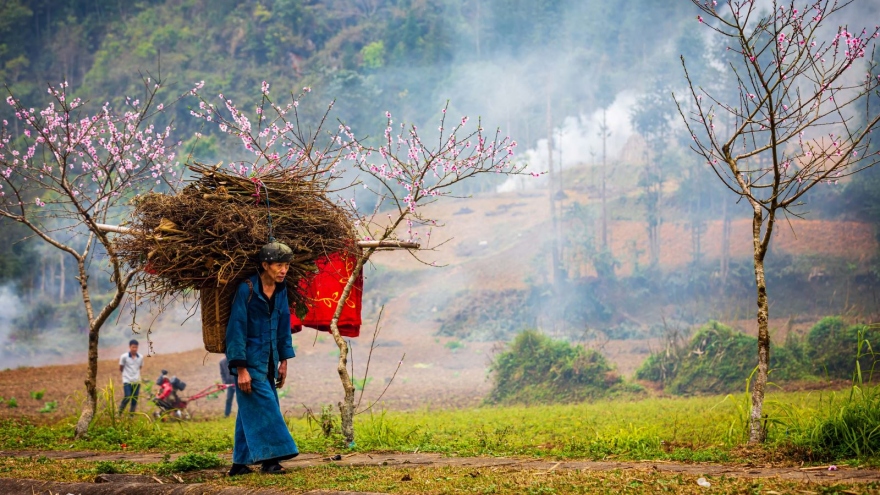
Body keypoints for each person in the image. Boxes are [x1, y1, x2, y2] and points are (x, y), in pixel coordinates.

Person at [225, 241, 299, 476]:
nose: (283, 270)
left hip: (269, 360)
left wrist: (284, 360)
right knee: (268, 408)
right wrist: (241, 369)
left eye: (286, 265)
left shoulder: (281, 289)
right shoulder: (246, 289)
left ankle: (239, 465)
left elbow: (284, 323)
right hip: (250, 362)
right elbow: (236, 329)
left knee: (252, 410)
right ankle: (272, 460)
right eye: (279, 265)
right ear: (265, 265)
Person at [118, 339, 144, 413]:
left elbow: (140, 367)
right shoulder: (124, 357)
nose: (134, 349)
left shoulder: (140, 357)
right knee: (127, 396)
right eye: (133, 347)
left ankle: (131, 416)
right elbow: (121, 368)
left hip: (137, 381)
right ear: (129, 347)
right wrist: (127, 374)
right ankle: (119, 413)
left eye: (136, 347)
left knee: (134, 399)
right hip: (127, 380)